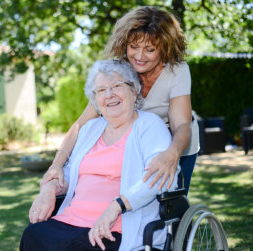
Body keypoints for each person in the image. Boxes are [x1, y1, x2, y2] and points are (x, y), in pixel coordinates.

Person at [17, 60, 180, 251]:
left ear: (134, 90)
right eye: (101, 90)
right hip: (73, 219)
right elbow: (69, 172)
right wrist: (48, 189)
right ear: (95, 100)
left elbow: (158, 177)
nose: (109, 95)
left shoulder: (149, 126)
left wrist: (116, 206)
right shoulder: (91, 128)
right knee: (34, 235)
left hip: (118, 226)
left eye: (117, 86)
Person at [41, 6, 199, 194]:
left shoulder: (177, 70)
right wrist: (57, 164)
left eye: (150, 49)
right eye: (133, 47)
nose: (139, 57)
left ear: (165, 48)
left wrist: (172, 154)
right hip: (136, 143)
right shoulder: (118, 70)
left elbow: (181, 125)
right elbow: (81, 124)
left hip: (177, 142)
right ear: (124, 43)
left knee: (172, 202)